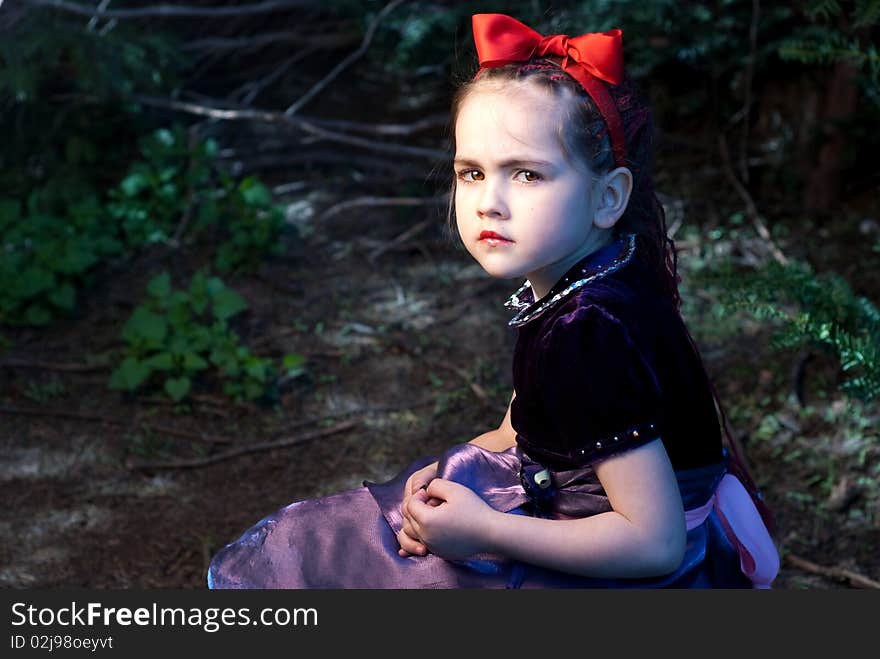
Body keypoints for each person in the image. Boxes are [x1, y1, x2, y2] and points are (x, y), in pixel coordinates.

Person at [207, 13, 779, 589]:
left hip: (616, 557)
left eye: (527, 174)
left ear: (608, 197)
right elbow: (528, 417)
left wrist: (483, 530)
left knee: (323, 562)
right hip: (570, 496)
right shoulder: (597, 277)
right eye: (472, 173)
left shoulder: (591, 329)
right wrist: (461, 468)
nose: (489, 203)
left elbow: (654, 543)